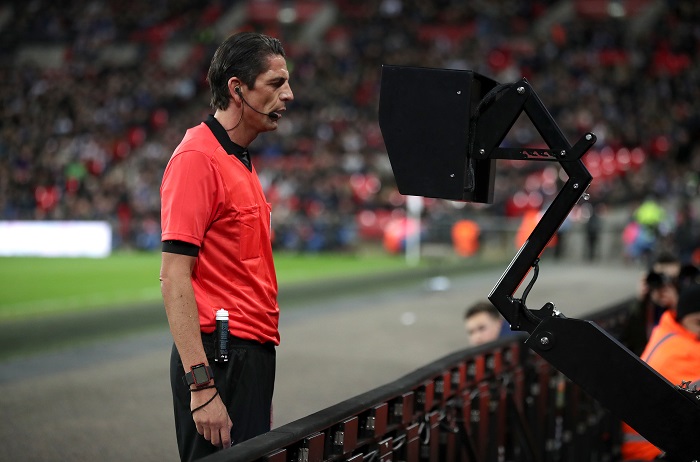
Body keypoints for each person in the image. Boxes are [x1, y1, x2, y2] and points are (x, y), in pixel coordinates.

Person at [159, 31, 293, 461]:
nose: (288, 95)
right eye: (275, 84)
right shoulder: (197, 158)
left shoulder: (238, 157)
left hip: (248, 354)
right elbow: (174, 275)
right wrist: (201, 386)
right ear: (237, 89)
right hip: (220, 358)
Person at [621, 279, 700, 460]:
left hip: (653, 444)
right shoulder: (683, 350)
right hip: (653, 451)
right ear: (683, 317)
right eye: (699, 323)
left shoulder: (668, 333)